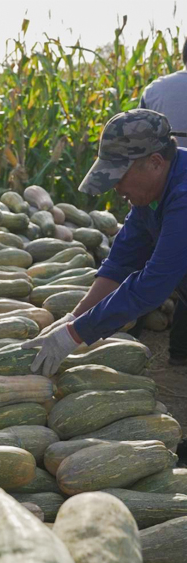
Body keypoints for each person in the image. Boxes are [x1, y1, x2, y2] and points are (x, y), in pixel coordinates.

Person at [23, 108, 187, 376]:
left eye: (119, 176)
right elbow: (121, 262)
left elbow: (153, 283)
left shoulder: (184, 196)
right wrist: (72, 319)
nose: (116, 188)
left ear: (156, 162)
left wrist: (74, 335)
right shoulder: (151, 191)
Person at [138, 40, 187, 364]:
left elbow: (135, 140)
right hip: (176, 183)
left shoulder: (158, 88)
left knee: (152, 261)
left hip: (156, 187)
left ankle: (136, 339)